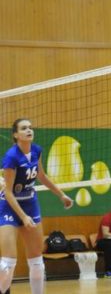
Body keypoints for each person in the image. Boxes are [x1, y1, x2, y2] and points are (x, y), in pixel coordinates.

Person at [0, 118, 73, 294]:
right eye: (24, 128)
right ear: (16, 135)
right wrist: (23, 217)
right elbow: (8, 192)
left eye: (30, 127)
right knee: (7, 265)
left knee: (37, 263)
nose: (29, 130)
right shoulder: (11, 157)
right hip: (9, 206)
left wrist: (61, 194)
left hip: (30, 204)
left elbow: (42, 176)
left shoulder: (37, 150)